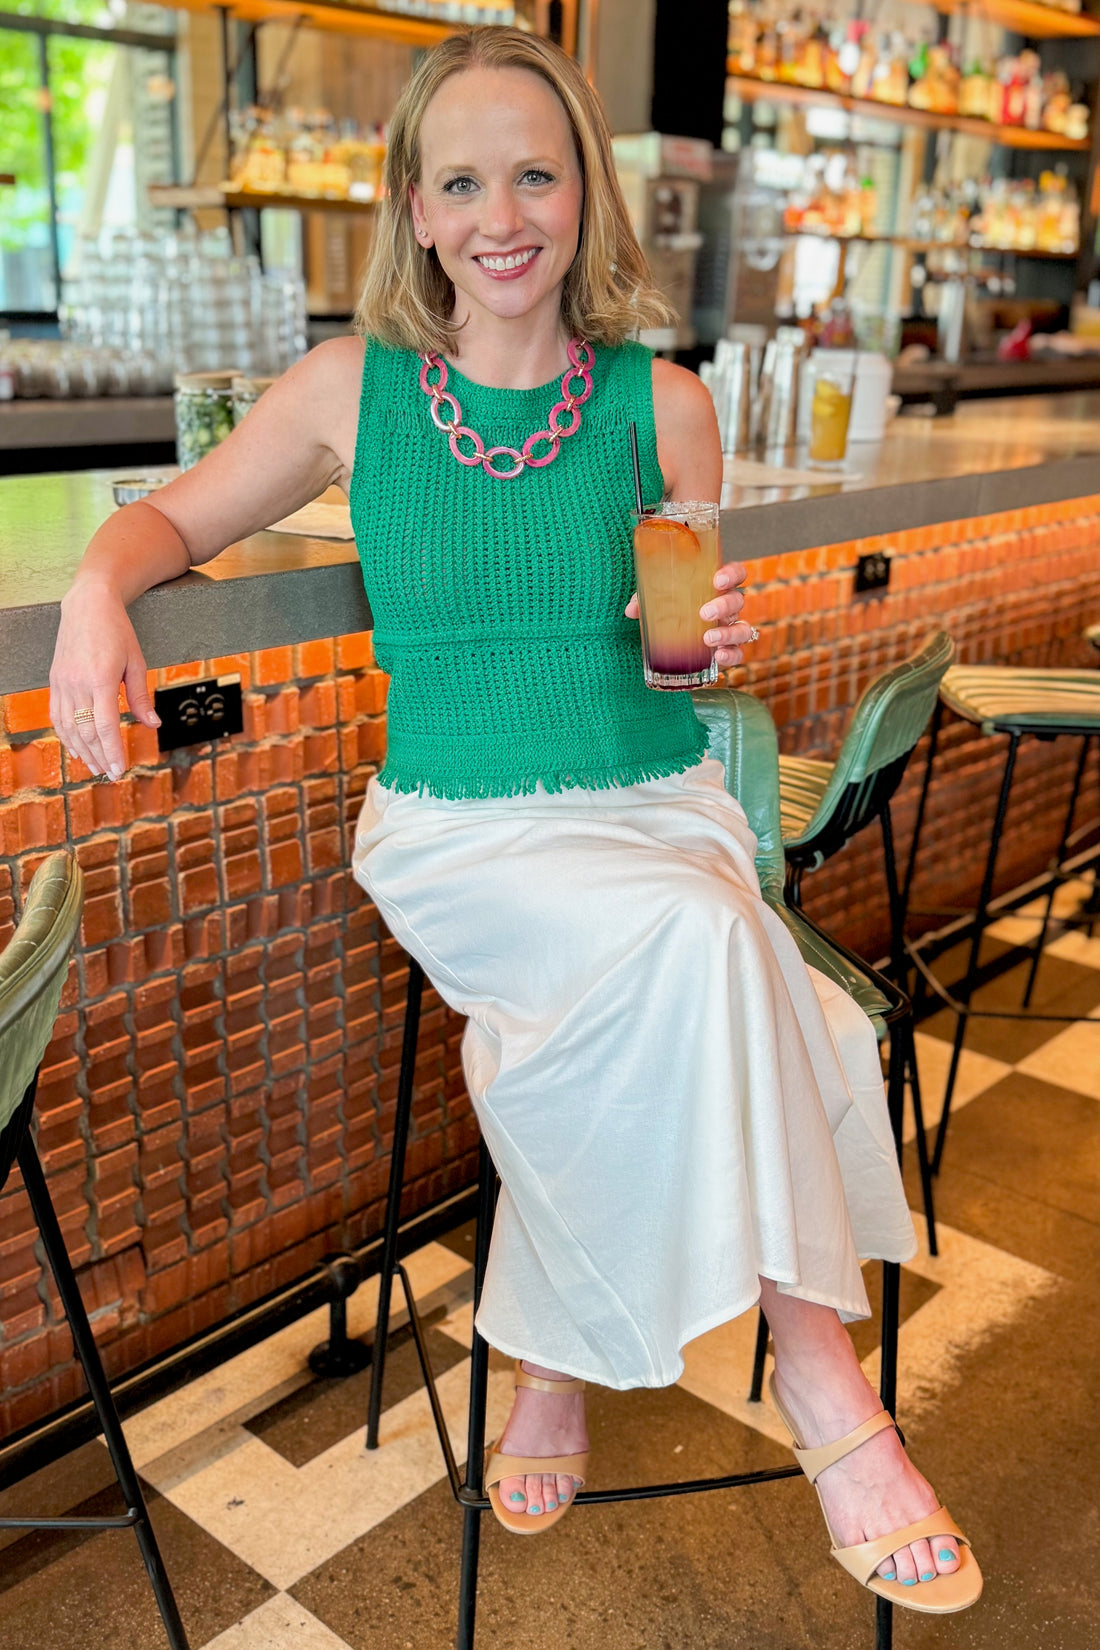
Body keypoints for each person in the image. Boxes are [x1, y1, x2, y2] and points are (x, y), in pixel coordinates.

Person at [49, 25, 980, 1617]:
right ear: (414, 208)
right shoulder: (355, 394)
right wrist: (91, 590)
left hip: (652, 797)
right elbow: (170, 515)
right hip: (456, 831)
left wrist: (704, 630)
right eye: (465, 178)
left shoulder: (663, 403)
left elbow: (676, 642)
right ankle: (824, 1383)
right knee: (715, 953)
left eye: (536, 173)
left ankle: (548, 1342)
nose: (503, 213)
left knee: (667, 955)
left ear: (585, 197)